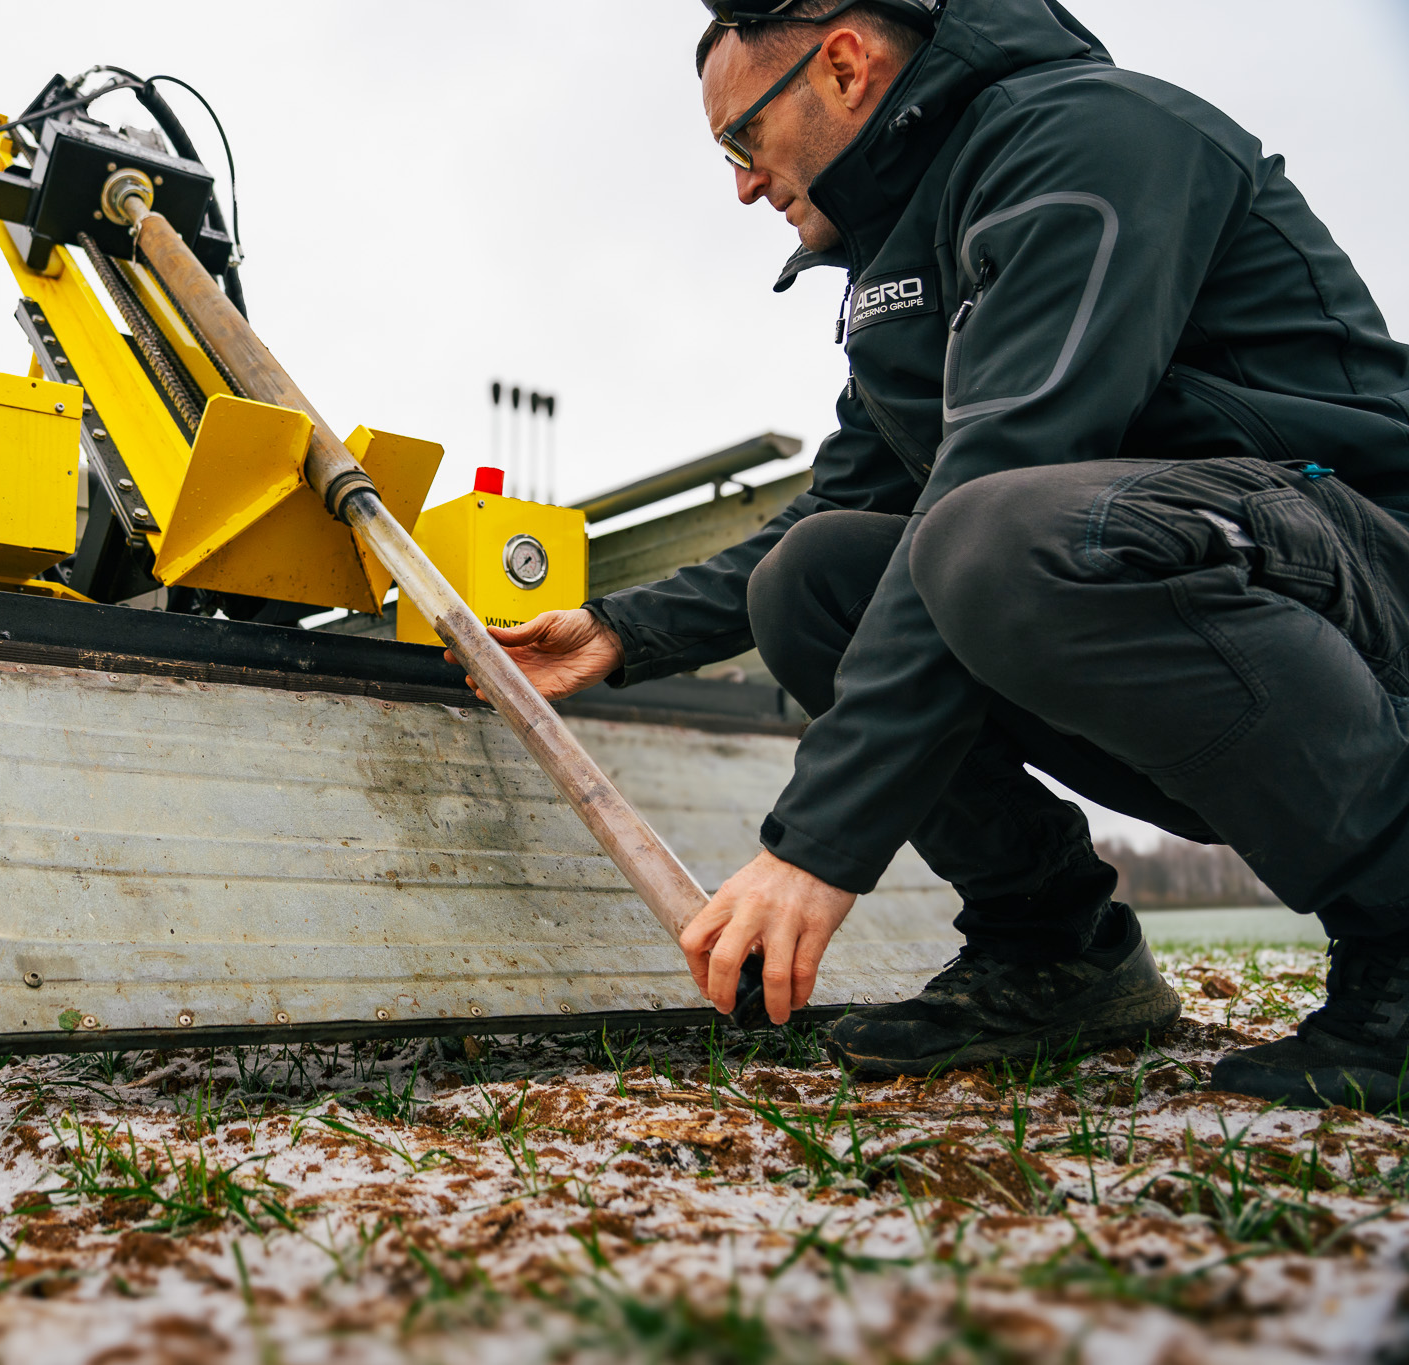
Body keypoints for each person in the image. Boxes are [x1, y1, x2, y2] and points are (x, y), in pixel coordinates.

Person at [467, 0, 1409, 1110]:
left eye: (739, 140)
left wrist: (813, 845)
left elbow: (1003, 472)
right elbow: (853, 508)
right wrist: (626, 629)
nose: (738, 185)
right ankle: (1051, 950)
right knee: (814, 580)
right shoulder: (902, 264)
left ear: (844, 64)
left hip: (1356, 582)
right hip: (1180, 591)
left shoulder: (1086, 140)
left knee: (989, 534)